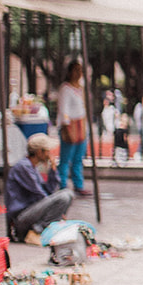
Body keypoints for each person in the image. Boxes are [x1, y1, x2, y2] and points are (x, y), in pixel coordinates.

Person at [5, 133, 73, 244]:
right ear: (39, 152)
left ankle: (40, 229)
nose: (49, 154)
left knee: (67, 194)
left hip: (30, 212)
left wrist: (53, 169)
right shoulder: (23, 167)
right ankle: (38, 230)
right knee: (64, 196)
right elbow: (40, 195)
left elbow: (48, 191)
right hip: (21, 217)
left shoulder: (32, 167)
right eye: (47, 151)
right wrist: (58, 211)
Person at [56, 60, 90, 197]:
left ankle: (78, 185)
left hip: (81, 125)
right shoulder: (65, 88)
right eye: (76, 70)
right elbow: (63, 109)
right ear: (70, 72)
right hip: (70, 126)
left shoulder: (80, 88)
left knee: (78, 158)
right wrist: (66, 127)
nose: (78, 73)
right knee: (65, 159)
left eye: (80, 70)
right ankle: (62, 185)